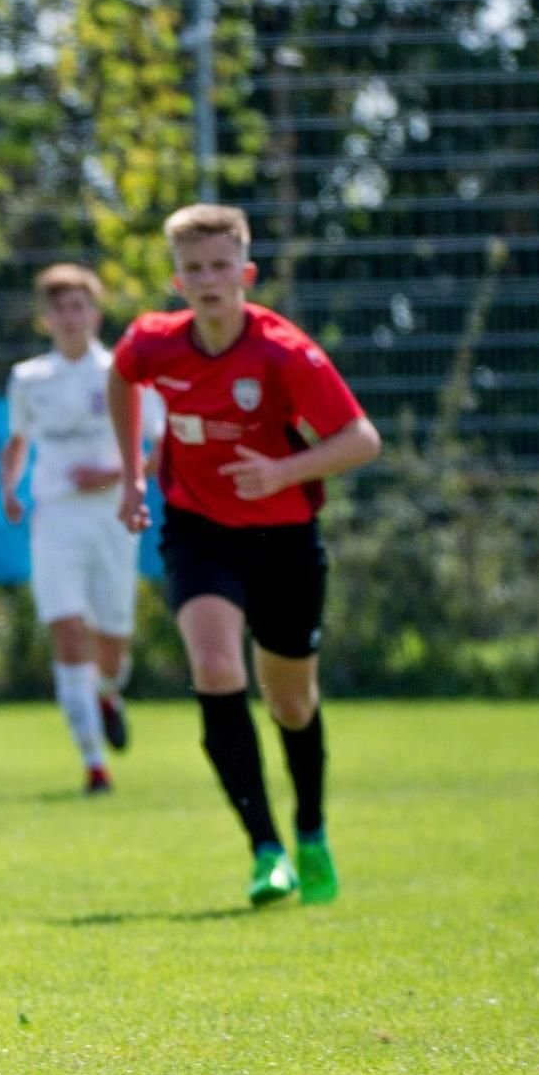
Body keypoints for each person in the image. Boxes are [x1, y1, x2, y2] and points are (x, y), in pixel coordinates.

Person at [109, 203, 381, 907]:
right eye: (194, 268)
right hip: (199, 530)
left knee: (291, 701)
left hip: (285, 536)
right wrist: (134, 471)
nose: (208, 279)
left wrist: (284, 472)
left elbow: (361, 440)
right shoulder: (155, 342)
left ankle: (311, 830)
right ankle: (265, 849)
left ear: (246, 273)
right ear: (177, 280)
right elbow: (123, 375)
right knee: (216, 665)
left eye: (221, 266)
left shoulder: (284, 350)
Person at [0, 263, 166, 795]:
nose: (70, 317)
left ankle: (108, 693)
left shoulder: (124, 371)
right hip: (56, 516)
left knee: (111, 647)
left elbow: (161, 446)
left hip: (114, 516)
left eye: (79, 307)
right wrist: (9, 487)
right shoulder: (30, 378)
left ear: (95, 314)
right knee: (68, 632)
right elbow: (18, 441)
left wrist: (117, 473)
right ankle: (95, 765)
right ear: (47, 319)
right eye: (60, 308)